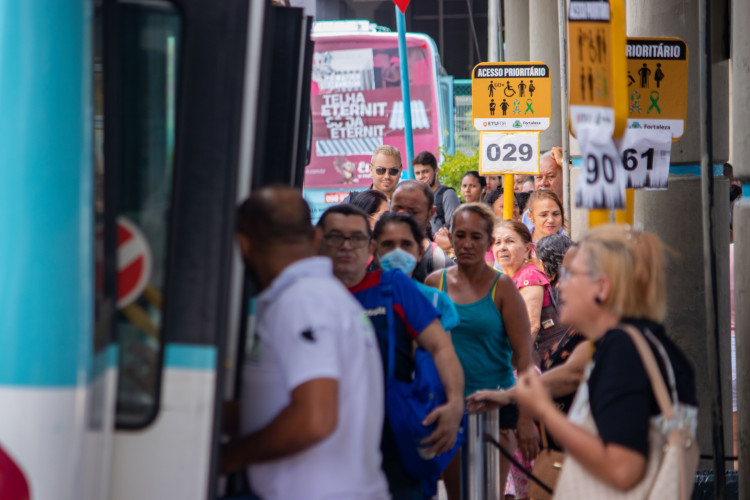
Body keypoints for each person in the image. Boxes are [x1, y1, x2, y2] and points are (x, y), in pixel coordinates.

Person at [223, 187, 388, 500]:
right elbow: (284, 400)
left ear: (244, 245)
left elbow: (314, 418)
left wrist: (230, 458)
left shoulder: (302, 302)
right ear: (315, 238)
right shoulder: (323, 296)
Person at [515, 225, 698, 495]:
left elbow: (622, 470)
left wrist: (544, 411)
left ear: (601, 287)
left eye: (571, 275)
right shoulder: (638, 340)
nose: (561, 285)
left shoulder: (623, 349)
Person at [317, 204, 465, 499]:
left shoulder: (393, 287)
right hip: (325, 440)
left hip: (393, 438)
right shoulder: (308, 294)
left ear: (369, 246)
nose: (347, 246)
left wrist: (455, 404)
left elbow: (441, 347)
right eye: (335, 237)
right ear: (317, 242)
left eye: (356, 238)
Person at [424, 203, 537, 497]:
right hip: (449, 409)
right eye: (460, 235)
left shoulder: (504, 288)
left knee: (487, 493)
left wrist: (525, 419)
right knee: (458, 494)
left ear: (488, 242)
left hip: (496, 408)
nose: (467, 244)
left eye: (476, 237)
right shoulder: (435, 284)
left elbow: (524, 357)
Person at [373, 211, 460, 334]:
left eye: (406, 244)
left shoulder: (437, 301)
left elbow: (443, 349)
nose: (398, 252)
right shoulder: (359, 298)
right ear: (374, 250)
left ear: (420, 252)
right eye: (388, 244)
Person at [391, 180, 452, 283]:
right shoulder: (371, 256)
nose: (404, 216)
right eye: (397, 209)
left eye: (413, 212)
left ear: (431, 213)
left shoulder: (440, 262)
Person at [412, 151, 461, 234]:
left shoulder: (447, 194)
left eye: (425, 171)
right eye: (417, 173)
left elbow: (455, 227)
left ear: (436, 171)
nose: (421, 177)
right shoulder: (416, 198)